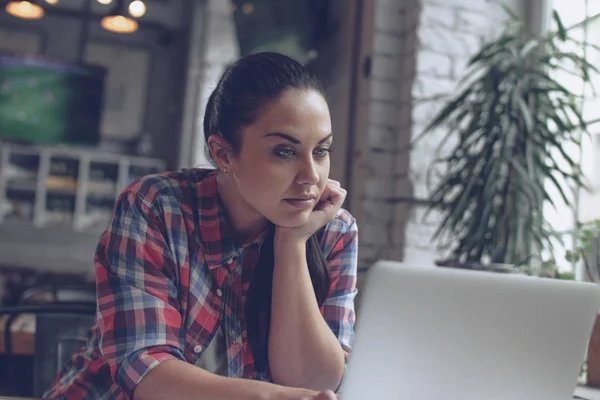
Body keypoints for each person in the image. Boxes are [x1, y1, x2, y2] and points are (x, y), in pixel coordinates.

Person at [43, 52, 358, 400]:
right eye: (284, 152)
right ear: (223, 154)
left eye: (321, 150)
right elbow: (145, 370)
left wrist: (292, 244)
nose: (311, 176)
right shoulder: (156, 206)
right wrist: (271, 398)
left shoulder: (332, 230)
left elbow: (316, 381)